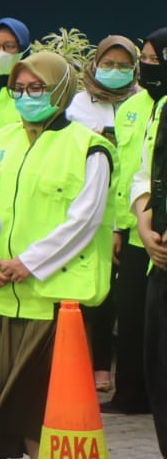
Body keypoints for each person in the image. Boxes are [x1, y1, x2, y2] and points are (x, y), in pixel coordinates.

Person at [0, 52, 113, 459]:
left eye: (37, 88)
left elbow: (84, 221)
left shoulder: (89, 148)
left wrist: (29, 262)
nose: (26, 96)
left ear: (61, 90)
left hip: (54, 306)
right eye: (19, 89)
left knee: (40, 415)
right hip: (2, 298)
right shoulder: (0, 140)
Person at [66, 35, 151, 405]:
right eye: (108, 64)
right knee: (93, 291)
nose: (115, 71)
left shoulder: (142, 101)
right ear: (95, 63)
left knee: (124, 299)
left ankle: (121, 378)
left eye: (124, 65)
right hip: (88, 210)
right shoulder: (79, 103)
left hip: (129, 217)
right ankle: (96, 368)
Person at [129, 28, 167, 449]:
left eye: (156, 59)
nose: (148, 67)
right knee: (158, 364)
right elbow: (144, 173)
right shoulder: (160, 109)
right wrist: (143, 222)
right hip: (159, 259)